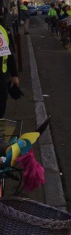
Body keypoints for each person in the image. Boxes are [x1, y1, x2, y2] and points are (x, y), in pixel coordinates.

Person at [0, 20, 20, 150]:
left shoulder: (1, 29)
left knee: (1, 106)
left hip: (1, 77)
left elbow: (8, 53)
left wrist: (14, 74)